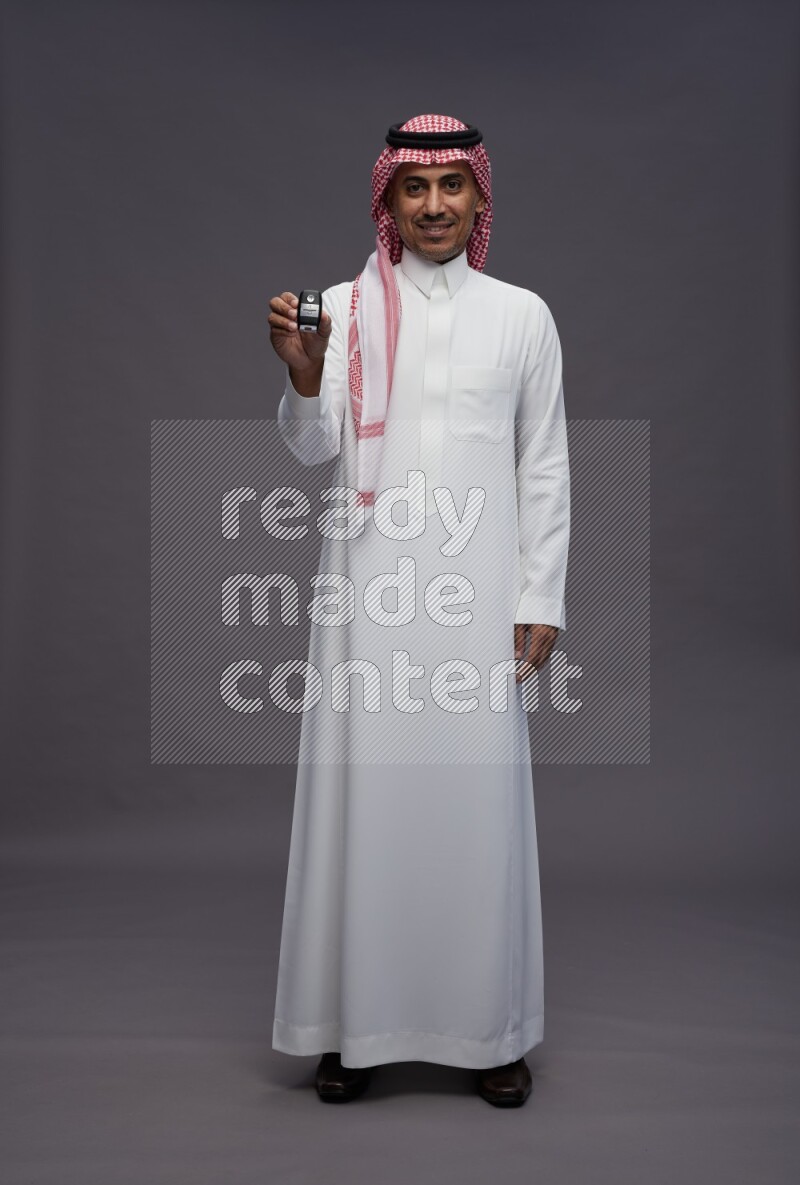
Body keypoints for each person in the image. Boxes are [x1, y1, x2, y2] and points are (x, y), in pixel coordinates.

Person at [267, 114, 570, 1106]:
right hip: (365, 592)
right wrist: (304, 372)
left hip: (477, 593)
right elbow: (314, 450)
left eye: (452, 187)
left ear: (479, 199)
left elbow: (543, 464)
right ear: (386, 200)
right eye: (415, 188)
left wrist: (538, 594)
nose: (434, 205)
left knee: (473, 806)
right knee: (364, 799)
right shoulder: (343, 308)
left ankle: (488, 1033)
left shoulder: (520, 314)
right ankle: (351, 1031)